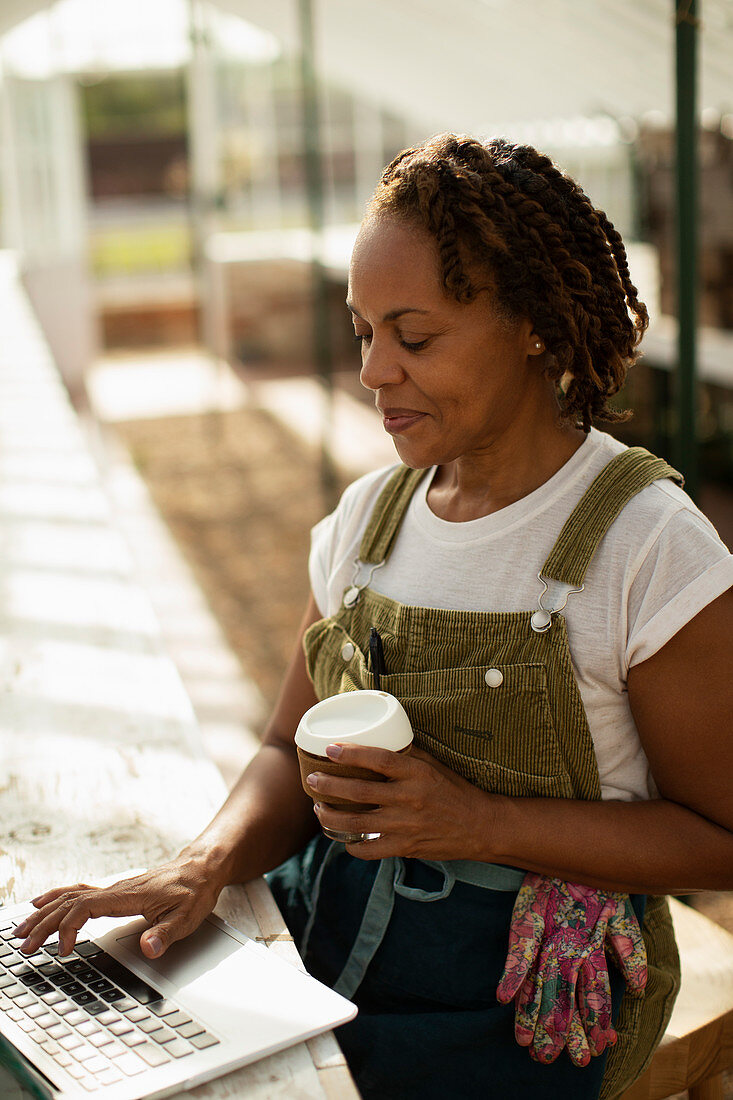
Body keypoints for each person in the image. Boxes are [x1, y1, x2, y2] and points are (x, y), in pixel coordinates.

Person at [15, 134, 733, 1100]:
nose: (372, 373)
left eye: (414, 336)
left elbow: (716, 834)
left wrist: (478, 821)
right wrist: (198, 867)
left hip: (517, 1011)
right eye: (362, 333)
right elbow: (281, 746)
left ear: (530, 323)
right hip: (322, 945)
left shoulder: (644, 542)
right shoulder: (369, 521)